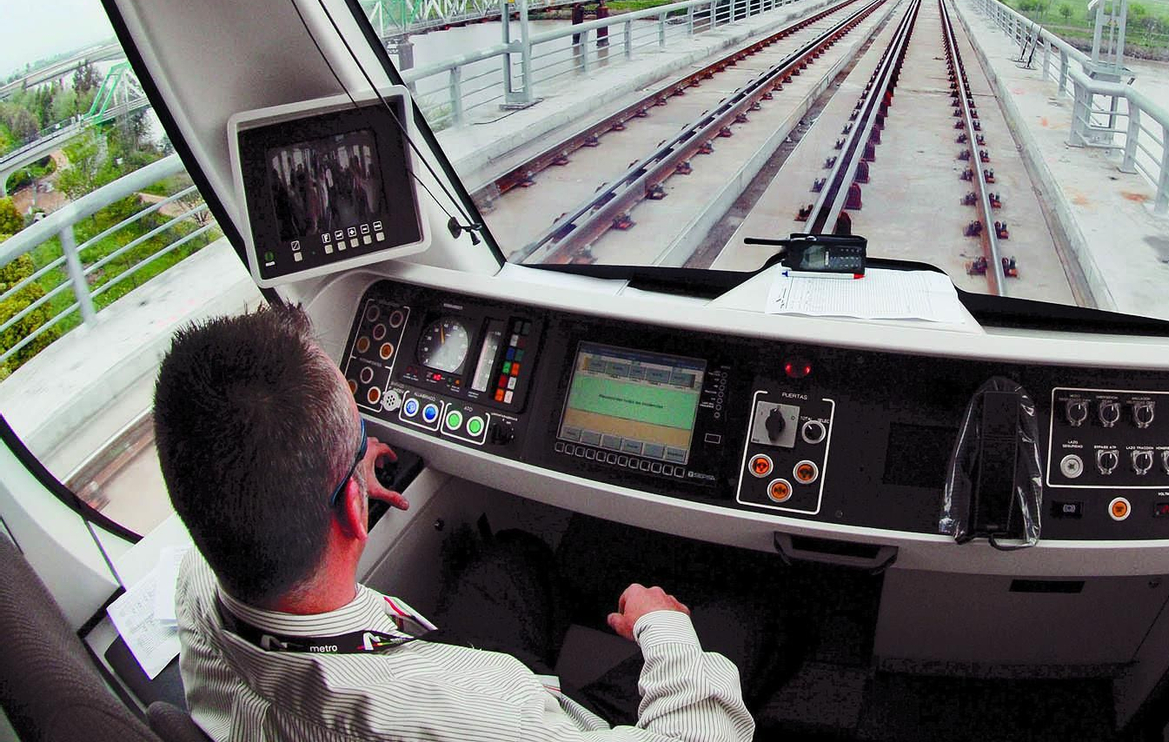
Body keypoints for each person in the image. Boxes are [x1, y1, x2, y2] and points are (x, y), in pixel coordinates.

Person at [152, 304, 754, 742]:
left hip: (423, 662)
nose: (371, 445)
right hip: (533, 715)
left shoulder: (198, 579)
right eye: (361, 435)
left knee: (513, 560)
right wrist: (668, 633)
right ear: (354, 509)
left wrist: (335, 472)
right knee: (735, 624)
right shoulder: (469, 721)